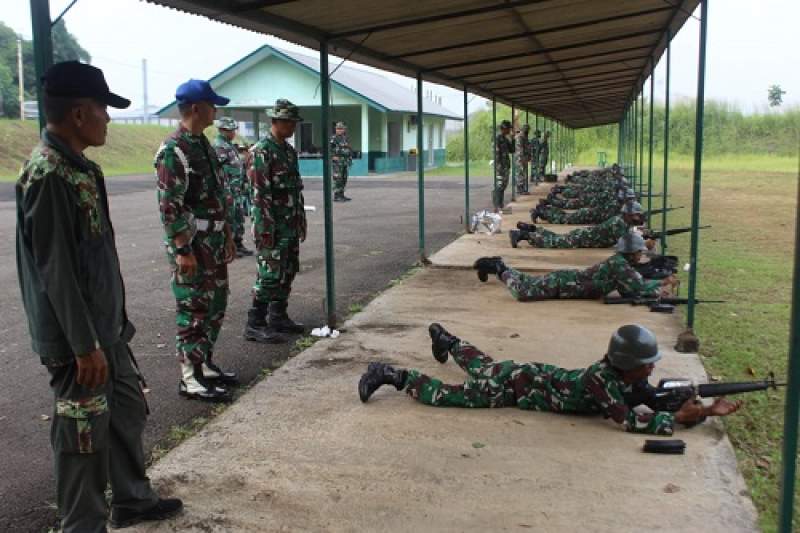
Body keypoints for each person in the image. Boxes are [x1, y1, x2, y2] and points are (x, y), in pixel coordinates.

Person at [16, 61, 182, 532]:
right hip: (79, 339)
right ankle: (82, 524)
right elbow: (56, 270)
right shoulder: (49, 174)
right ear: (78, 114)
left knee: (126, 409)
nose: (109, 118)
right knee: (82, 435)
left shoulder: (78, 169)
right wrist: (83, 344)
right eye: (103, 109)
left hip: (105, 330)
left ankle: (131, 500)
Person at [357, 324, 743, 435]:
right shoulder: (601, 380)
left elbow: (651, 400)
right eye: (647, 364)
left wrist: (703, 408)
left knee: (487, 367)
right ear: (628, 364)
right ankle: (392, 374)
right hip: (519, 386)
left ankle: (448, 341)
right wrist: (675, 420)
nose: (652, 370)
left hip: (528, 375)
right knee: (450, 395)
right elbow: (626, 418)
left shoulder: (623, 376)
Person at [155, 79, 238, 402]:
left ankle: (204, 364)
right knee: (193, 309)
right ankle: (190, 377)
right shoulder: (174, 150)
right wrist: (182, 251)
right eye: (211, 104)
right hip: (192, 245)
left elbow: (217, 195)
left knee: (215, 304)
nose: (216, 109)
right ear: (195, 108)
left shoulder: (202, 144)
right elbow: (169, 205)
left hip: (214, 241)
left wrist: (228, 234)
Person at [244, 99, 307, 344]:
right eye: (288, 122)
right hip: (271, 227)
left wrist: (300, 219)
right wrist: (264, 229)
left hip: (289, 224)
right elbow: (259, 196)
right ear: (275, 122)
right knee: (269, 275)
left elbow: (295, 191)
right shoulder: (261, 151)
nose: (292, 127)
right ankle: (255, 323)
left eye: (294, 122)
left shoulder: (289, 152)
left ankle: (278, 316)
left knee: (288, 270)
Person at [474, 233, 679, 302]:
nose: (641, 255)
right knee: (523, 292)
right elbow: (638, 287)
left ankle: (499, 266)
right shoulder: (621, 265)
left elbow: (629, 287)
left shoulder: (621, 263)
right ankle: (500, 268)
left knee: (528, 281)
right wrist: (660, 285)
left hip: (569, 281)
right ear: (631, 252)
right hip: (567, 284)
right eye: (639, 252)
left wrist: (659, 282)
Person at [510, 201, 644, 249]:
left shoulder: (622, 221)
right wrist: (645, 240)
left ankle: (531, 228)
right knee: (554, 242)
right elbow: (629, 241)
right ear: (628, 214)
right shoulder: (619, 223)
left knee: (556, 237)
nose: (638, 217)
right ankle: (523, 235)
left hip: (586, 237)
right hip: (584, 238)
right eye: (636, 214)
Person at [213, 117, 253, 257]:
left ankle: (238, 243)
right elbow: (218, 171)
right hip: (227, 191)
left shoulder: (229, 145)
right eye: (230, 130)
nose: (233, 133)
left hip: (237, 190)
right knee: (229, 219)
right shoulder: (219, 146)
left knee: (238, 217)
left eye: (233, 130)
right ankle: (228, 247)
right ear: (222, 130)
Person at [493, 119, 514, 210]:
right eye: (509, 128)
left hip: (506, 166)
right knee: (499, 185)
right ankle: (497, 205)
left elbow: (512, 150)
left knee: (504, 185)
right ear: (504, 128)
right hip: (500, 167)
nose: (510, 130)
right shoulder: (497, 138)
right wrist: (499, 167)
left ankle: (500, 204)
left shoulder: (505, 139)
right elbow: (496, 154)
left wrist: (513, 139)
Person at [330, 121, 353, 202]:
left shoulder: (345, 138)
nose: (339, 130)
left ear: (344, 130)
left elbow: (349, 149)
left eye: (341, 129)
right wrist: (333, 156)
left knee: (344, 178)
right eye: (338, 129)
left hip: (344, 162)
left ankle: (342, 195)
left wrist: (350, 160)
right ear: (335, 129)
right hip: (337, 163)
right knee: (338, 179)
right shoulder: (333, 139)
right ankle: (337, 196)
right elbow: (329, 150)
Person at [514, 124, 530, 195]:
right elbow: (520, 148)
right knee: (520, 173)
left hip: (523, 157)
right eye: (527, 130)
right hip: (520, 158)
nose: (527, 131)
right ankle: (520, 189)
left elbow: (527, 147)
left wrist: (528, 156)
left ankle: (521, 188)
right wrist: (522, 158)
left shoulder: (525, 136)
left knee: (523, 173)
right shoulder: (520, 137)